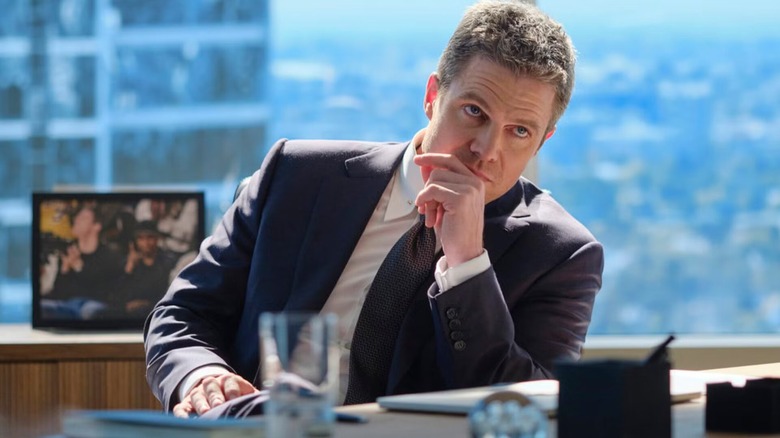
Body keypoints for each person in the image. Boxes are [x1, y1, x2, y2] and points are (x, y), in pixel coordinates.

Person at [145, 0, 604, 419]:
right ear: (432, 96)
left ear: (543, 140)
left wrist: (466, 265)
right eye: (474, 112)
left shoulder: (562, 254)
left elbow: (526, 409)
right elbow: (183, 313)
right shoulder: (296, 175)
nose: (487, 150)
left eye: (519, 132)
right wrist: (200, 376)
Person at [43, 202, 123, 319]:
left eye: (83, 218)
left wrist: (79, 268)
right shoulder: (69, 252)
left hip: (94, 309)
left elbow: (105, 295)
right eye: (77, 217)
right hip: (67, 309)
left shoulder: (109, 256)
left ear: (96, 226)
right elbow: (59, 294)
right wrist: (65, 270)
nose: (76, 220)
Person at [119, 220, 177, 318]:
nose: (145, 243)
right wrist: (129, 268)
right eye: (141, 238)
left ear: (157, 239)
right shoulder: (128, 263)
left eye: (150, 237)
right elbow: (119, 297)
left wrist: (145, 304)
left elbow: (169, 296)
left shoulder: (167, 263)